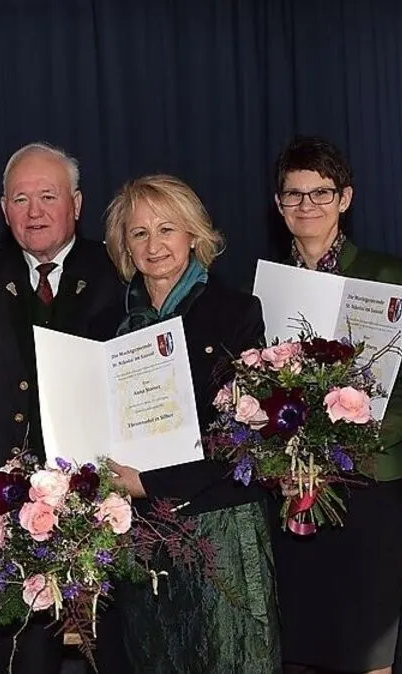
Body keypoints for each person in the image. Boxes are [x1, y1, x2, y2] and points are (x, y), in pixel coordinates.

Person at [0, 142, 125, 673]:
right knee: (24, 661)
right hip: (5, 512)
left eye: (48, 196)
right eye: (20, 199)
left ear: (77, 203)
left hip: (104, 506)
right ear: (4, 211)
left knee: (115, 654)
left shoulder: (119, 273)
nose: (34, 211)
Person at [104, 174, 281, 674]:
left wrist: (151, 483)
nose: (154, 245)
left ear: (195, 236)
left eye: (167, 229)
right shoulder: (104, 326)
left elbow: (239, 433)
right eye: (139, 233)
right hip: (139, 532)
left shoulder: (236, 313)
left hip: (220, 525)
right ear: (124, 246)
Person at [267, 136, 402, 674]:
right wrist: (278, 459)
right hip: (289, 490)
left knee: (367, 645)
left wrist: (343, 450)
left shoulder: (392, 276)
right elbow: (251, 389)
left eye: (321, 193)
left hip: (370, 483)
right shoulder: (261, 289)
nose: (307, 206)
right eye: (294, 194)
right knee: (301, 647)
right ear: (278, 203)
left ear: (346, 198)